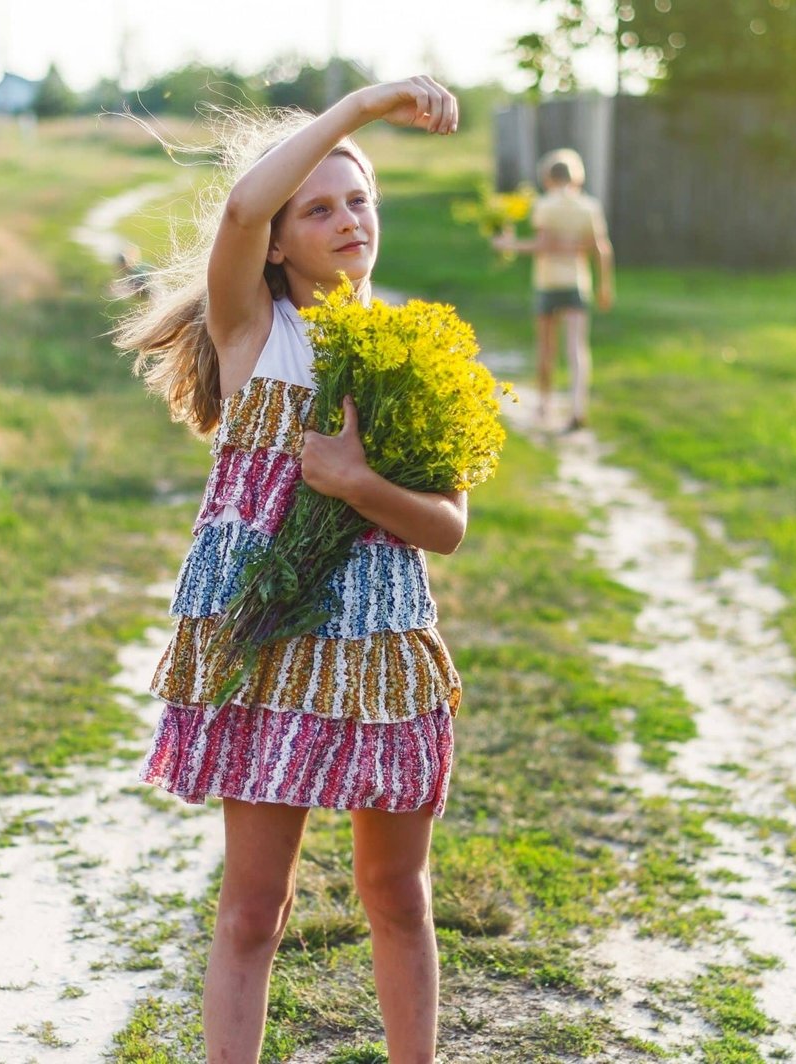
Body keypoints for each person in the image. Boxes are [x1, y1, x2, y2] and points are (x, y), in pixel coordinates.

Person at [111, 77, 465, 1064]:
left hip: (379, 638)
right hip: (264, 636)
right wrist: (360, 107)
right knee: (253, 909)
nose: (348, 219)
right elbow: (234, 205)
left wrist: (355, 481)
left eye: (360, 201)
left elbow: (447, 527)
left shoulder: (407, 349)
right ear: (276, 239)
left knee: (394, 892)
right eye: (318, 207)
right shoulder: (253, 332)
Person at [495, 148, 615, 431]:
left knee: (546, 348)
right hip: (576, 282)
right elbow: (601, 248)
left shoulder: (545, 206)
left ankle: (545, 405)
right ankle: (577, 406)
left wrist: (509, 245)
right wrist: (605, 285)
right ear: (576, 177)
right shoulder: (589, 206)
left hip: (548, 283)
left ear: (548, 177)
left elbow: (543, 245)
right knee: (576, 349)